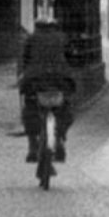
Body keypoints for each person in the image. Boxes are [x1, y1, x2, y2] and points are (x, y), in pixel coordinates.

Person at [19, 20, 76, 162]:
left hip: (36, 80)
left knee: (30, 106)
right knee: (65, 107)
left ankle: (32, 146)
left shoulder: (31, 38)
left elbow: (25, 59)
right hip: (59, 80)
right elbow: (71, 57)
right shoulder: (62, 37)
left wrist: (25, 74)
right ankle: (60, 140)